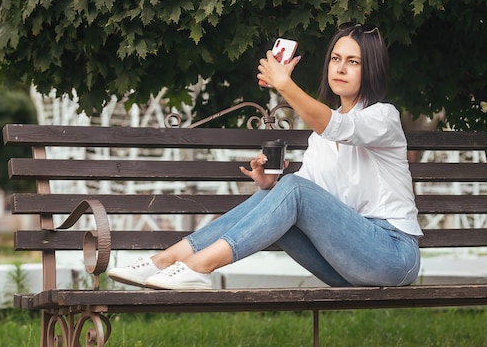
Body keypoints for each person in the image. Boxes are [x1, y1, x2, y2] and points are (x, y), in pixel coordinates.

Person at [108, 23, 422, 290]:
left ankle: (199, 267)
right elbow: (303, 198)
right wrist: (269, 184)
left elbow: (337, 126)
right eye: (336, 58)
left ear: (371, 69)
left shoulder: (383, 118)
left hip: (393, 255)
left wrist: (285, 84)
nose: (340, 68)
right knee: (283, 191)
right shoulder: (319, 141)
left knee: (294, 189)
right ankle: (165, 259)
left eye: (353, 62)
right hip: (344, 266)